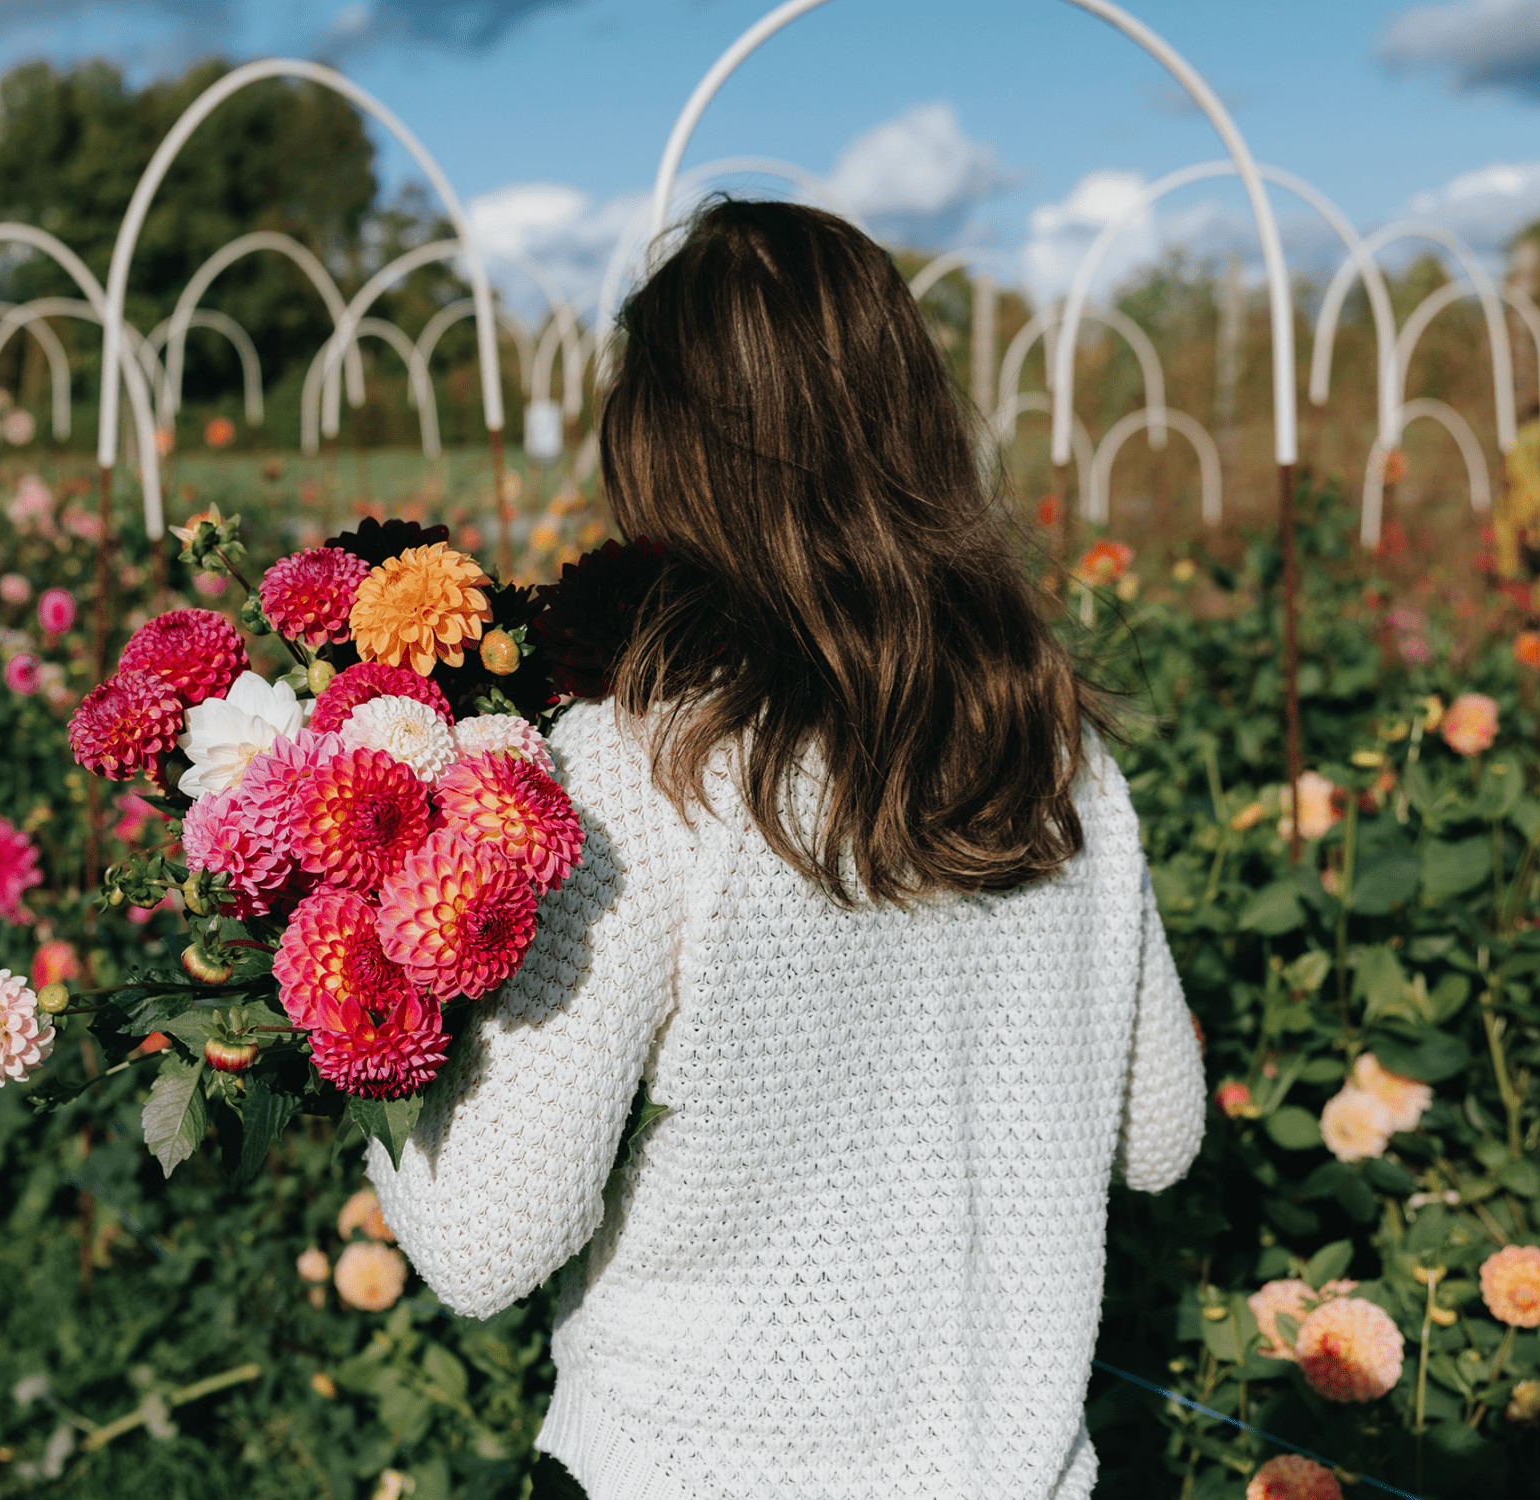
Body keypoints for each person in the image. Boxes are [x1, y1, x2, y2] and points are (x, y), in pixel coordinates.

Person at [365, 200, 1206, 1499]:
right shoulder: (1055, 760)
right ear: (919, 426)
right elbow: (1158, 1139)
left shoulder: (650, 770)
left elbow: (485, 1242)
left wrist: (357, 1035)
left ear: (656, 440)